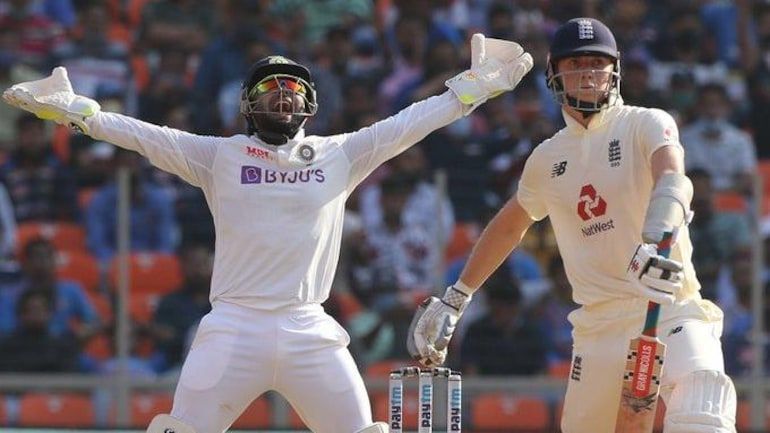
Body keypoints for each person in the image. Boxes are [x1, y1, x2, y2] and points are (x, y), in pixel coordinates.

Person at [3, 34, 533, 433]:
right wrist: (75, 111)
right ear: (248, 103)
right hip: (233, 325)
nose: (283, 95)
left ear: (309, 104)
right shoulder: (218, 155)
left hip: (310, 329)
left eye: (293, 88)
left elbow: (413, 121)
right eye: (270, 87)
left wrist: (477, 86)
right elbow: (143, 135)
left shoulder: (340, 153)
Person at [408, 18, 736, 433]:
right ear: (554, 74)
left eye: (597, 62)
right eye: (575, 63)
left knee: (702, 402)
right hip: (598, 329)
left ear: (614, 69)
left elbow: (673, 178)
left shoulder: (645, 122)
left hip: (669, 307)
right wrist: (457, 297)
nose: (587, 72)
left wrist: (657, 238)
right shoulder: (547, 159)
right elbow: (510, 226)